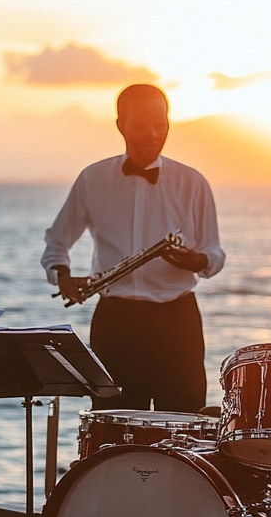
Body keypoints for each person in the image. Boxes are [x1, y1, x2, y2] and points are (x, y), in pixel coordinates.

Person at [41, 84, 225, 413]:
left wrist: (193, 260)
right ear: (120, 125)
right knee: (111, 430)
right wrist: (62, 275)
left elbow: (213, 255)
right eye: (141, 126)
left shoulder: (192, 182)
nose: (154, 134)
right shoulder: (92, 179)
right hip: (116, 324)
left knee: (182, 429)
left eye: (161, 124)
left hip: (176, 323)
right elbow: (57, 241)